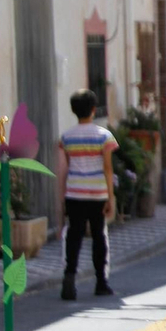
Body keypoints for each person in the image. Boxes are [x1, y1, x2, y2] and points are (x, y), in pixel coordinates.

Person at [59, 89, 116, 300]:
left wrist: (63, 197)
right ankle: (101, 281)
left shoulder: (66, 136)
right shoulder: (104, 136)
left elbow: (68, 164)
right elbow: (107, 168)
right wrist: (111, 196)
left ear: (74, 110)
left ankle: (69, 278)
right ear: (94, 110)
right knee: (99, 235)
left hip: (74, 192)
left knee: (74, 235)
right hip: (97, 192)